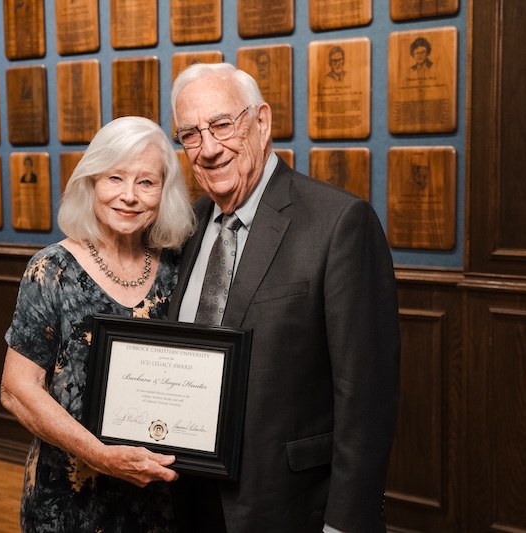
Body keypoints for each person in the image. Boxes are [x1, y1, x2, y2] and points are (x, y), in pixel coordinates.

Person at [169, 62, 400, 533]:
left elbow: (366, 397)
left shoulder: (338, 224)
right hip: (190, 499)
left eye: (221, 125)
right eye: (190, 134)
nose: (208, 148)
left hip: (292, 507)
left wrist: (346, 523)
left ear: (262, 121)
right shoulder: (185, 229)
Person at [0, 116, 196, 533]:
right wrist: (99, 455)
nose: (129, 196)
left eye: (146, 182)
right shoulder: (51, 269)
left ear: (165, 193)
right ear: (91, 183)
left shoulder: (179, 268)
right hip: (70, 498)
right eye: (115, 178)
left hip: (161, 496)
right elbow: (16, 390)